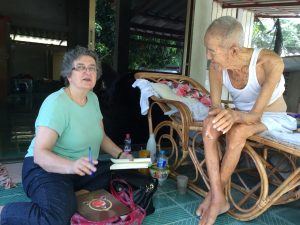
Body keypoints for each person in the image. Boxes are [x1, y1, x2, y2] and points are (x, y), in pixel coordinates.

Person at [0, 46, 133, 225]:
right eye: (80, 67)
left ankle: (73, 193)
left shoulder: (92, 99)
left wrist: (120, 155)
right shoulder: (56, 104)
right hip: (45, 169)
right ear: (68, 75)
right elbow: (40, 154)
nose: (88, 71)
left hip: (80, 168)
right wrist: (71, 166)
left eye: (92, 68)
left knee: (124, 173)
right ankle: (4, 212)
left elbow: (101, 136)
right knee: (56, 218)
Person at [196, 16, 296, 225]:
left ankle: (213, 198)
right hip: (241, 116)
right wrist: (220, 115)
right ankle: (218, 197)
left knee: (237, 131)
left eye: (212, 51)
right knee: (209, 126)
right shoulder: (216, 67)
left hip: (273, 118)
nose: (208, 56)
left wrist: (233, 116)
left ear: (233, 50)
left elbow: (255, 116)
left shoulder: (269, 63)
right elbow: (215, 107)